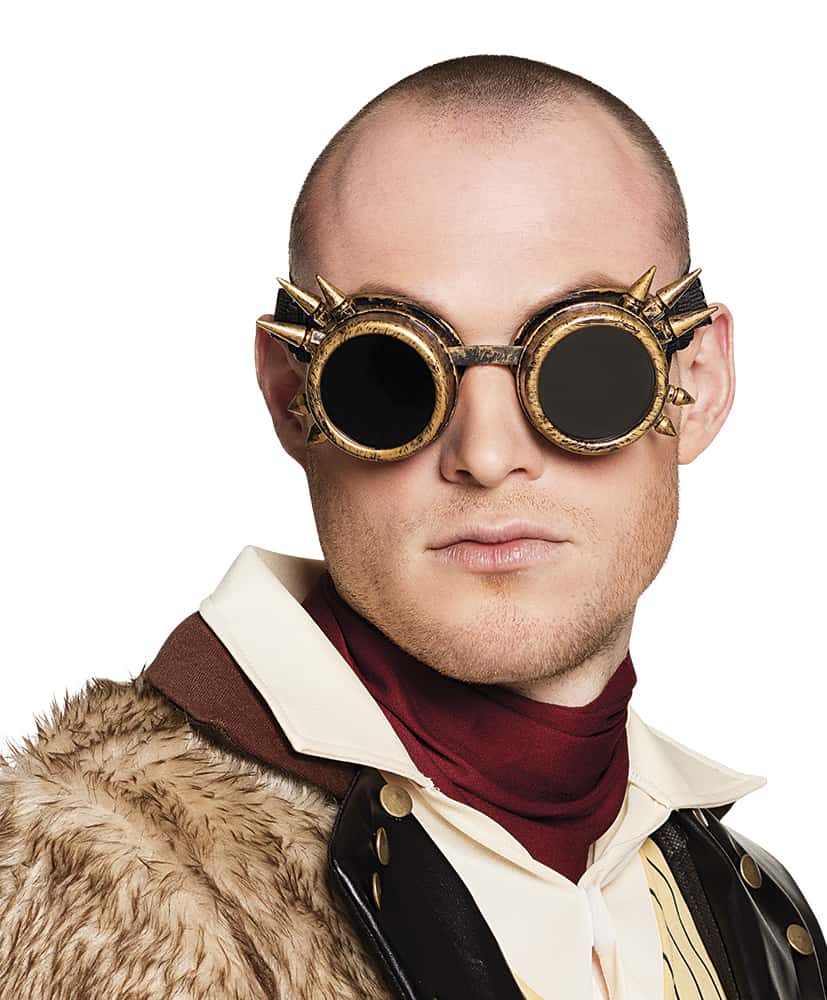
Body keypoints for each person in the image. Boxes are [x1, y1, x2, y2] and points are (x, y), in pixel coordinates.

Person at [0, 54, 823, 1000]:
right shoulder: (104, 889)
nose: (487, 452)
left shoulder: (746, 905)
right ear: (292, 396)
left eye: (587, 363)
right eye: (390, 374)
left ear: (698, 383)